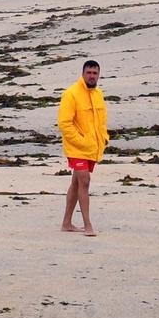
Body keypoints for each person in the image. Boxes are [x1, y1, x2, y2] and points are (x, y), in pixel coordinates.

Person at [58, 59, 106, 236]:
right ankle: (88, 225)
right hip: (76, 147)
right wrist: (80, 140)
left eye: (95, 73)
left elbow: (101, 122)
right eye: (89, 73)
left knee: (76, 182)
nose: (92, 76)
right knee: (84, 181)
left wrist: (104, 138)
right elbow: (64, 123)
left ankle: (66, 223)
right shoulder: (71, 94)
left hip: (91, 147)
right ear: (83, 73)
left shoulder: (98, 94)